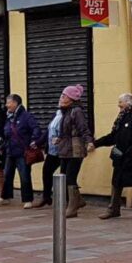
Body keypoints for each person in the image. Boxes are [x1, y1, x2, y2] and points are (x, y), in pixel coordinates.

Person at [90, 93, 132, 221]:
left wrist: (131, 150)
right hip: (120, 156)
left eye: (121, 102)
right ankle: (113, 209)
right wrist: (96, 144)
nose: (119, 105)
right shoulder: (122, 117)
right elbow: (113, 136)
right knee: (116, 182)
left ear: (128, 103)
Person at [0, 94, 41, 208]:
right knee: (7, 175)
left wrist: (33, 141)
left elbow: (36, 128)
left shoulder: (26, 116)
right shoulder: (9, 117)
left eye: (8, 102)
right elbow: (8, 135)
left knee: (24, 176)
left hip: (22, 152)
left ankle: (28, 200)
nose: (6, 105)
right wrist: (2, 147)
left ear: (15, 103)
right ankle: (5, 197)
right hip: (10, 151)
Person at [54, 85, 94, 218]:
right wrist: (59, 138)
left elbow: (83, 128)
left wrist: (89, 142)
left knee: (70, 177)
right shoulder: (65, 111)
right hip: (65, 148)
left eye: (64, 96)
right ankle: (78, 200)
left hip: (75, 149)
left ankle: (72, 207)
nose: (61, 98)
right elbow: (66, 130)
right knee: (64, 176)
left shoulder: (76, 111)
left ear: (71, 99)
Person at [33, 107, 62, 208]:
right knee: (46, 171)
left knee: (67, 175)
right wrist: (38, 142)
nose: (61, 101)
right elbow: (48, 131)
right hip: (53, 150)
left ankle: (71, 199)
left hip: (65, 150)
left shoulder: (72, 114)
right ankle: (46, 197)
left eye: (63, 99)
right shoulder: (57, 114)